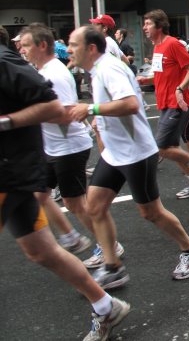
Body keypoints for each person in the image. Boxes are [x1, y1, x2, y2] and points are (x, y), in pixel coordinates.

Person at [0, 25, 131, 341]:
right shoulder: (34, 68)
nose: (69, 49)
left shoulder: (23, 66)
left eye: (74, 44)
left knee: (81, 203)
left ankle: (109, 249)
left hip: (40, 159)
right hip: (35, 161)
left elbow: (59, 110)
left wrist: (7, 122)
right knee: (41, 250)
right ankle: (104, 303)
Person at [67, 26, 189, 288]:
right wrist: (99, 118)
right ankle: (113, 267)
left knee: (151, 212)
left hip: (136, 153)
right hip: (114, 153)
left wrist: (91, 109)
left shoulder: (109, 68)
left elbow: (130, 104)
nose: (68, 49)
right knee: (94, 206)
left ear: (91, 48)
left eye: (73, 44)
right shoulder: (97, 70)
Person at [18, 24, 98, 254]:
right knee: (39, 194)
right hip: (52, 148)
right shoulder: (42, 72)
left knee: (75, 204)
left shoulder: (54, 74)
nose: (22, 50)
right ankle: (71, 237)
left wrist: (28, 116)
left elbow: (67, 114)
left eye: (26, 45)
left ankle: (108, 246)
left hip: (69, 147)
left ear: (42, 45)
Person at [137, 9, 189, 199]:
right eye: (144, 24)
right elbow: (160, 75)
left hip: (176, 103)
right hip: (164, 103)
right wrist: (145, 80)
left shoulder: (172, 44)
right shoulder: (157, 47)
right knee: (172, 148)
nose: (144, 27)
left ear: (159, 26)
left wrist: (181, 88)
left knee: (161, 148)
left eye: (148, 24)